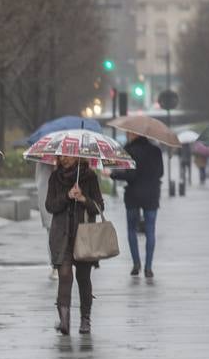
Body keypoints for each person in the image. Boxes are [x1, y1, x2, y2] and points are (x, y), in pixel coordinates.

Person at [46, 155, 104, 335]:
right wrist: (67, 196)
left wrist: (83, 199)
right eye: (61, 155)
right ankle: (64, 320)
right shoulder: (55, 177)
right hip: (61, 236)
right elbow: (50, 206)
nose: (64, 158)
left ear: (78, 155)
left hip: (84, 237)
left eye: (68, 155)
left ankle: (85, 319)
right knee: (64, 276)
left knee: (83, 278)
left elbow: (99, 207)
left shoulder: (90, 177)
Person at [109, 134, 163, 278]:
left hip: (133, 195)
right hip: (152, 194)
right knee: (150, 230)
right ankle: (148, 267)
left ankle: (136, 263)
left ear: (134, 134)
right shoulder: (156, 151)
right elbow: (160, 173)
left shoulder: (128, 150)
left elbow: (130, 175)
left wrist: (112, 175)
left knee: (131, 229)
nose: (127, 134)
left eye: (129, 133)